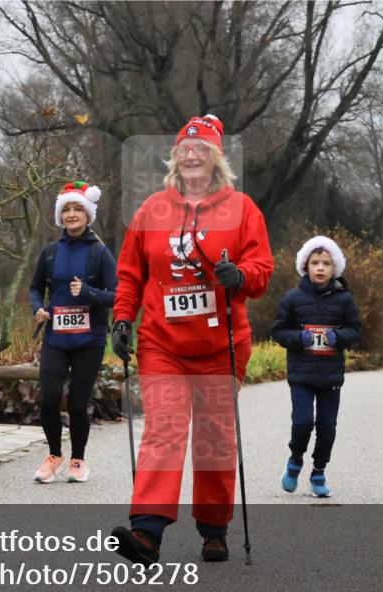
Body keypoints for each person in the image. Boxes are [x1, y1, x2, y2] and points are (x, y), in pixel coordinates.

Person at [109, 114, 273, 564]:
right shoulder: (150, 211)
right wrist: (122, 320)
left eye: (202, 148)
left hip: (221, 347)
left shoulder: (243, 210)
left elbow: (261, 274)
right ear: (176, 157)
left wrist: (238, 275)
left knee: (214, 439)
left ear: (216, 158)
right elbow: (129, 274)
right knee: (163, 431)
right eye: (185, 147)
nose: (193, 153)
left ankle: (214, 529)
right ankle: (147, 532)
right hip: (162, 344)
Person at [28, 182, 116, 483]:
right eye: (66, 209)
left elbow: (117, 295)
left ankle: (78, 459)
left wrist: (88, 292)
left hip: (89, 340)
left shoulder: (99, 253)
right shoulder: (51, 252)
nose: (72, 214)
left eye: (78, 208)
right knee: (49, 399)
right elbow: (35, 288)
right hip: (55, 338)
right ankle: (55, 454)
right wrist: (38, 308)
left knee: (78, 402)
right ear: (60, 215)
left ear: (88, 214)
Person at [271, 235, 362, 498]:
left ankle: (318, 471)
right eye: (315, 263)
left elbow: (355, 330)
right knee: (302, 423)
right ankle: (295, 459)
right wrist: (299, 339)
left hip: (331, 375)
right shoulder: (292, 298)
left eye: (326, 263)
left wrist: (339, 338)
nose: (320, 268)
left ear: (335, 268)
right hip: (301, 374)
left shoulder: (344, 299)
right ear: (305, 267)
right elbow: (278, 331)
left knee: (327, 427)